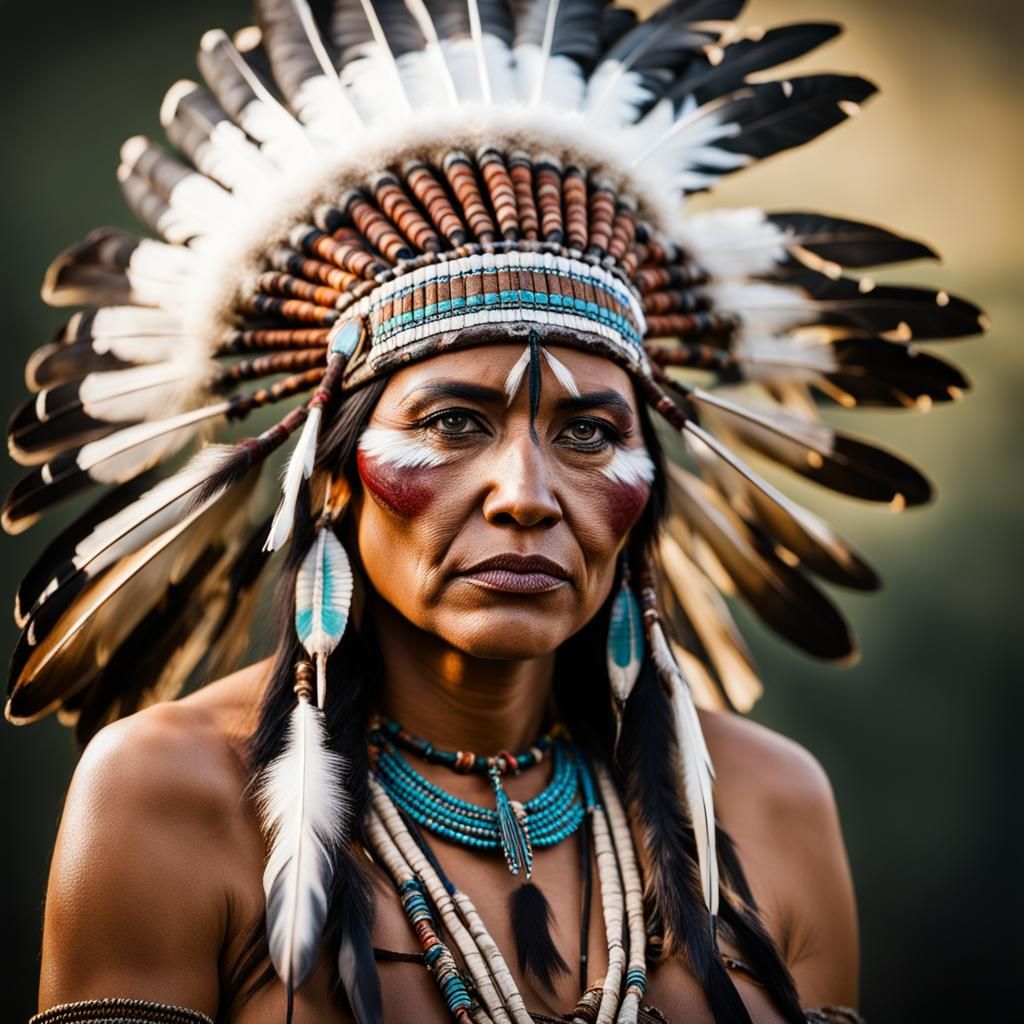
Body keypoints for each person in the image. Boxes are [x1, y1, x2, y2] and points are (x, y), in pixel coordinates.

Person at [6, 2, 982, 1023]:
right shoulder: (172, 799)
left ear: (647, 489)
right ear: (331, 475)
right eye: (453, 422)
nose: (524, 495)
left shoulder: (769, 810)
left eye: (590, 433)